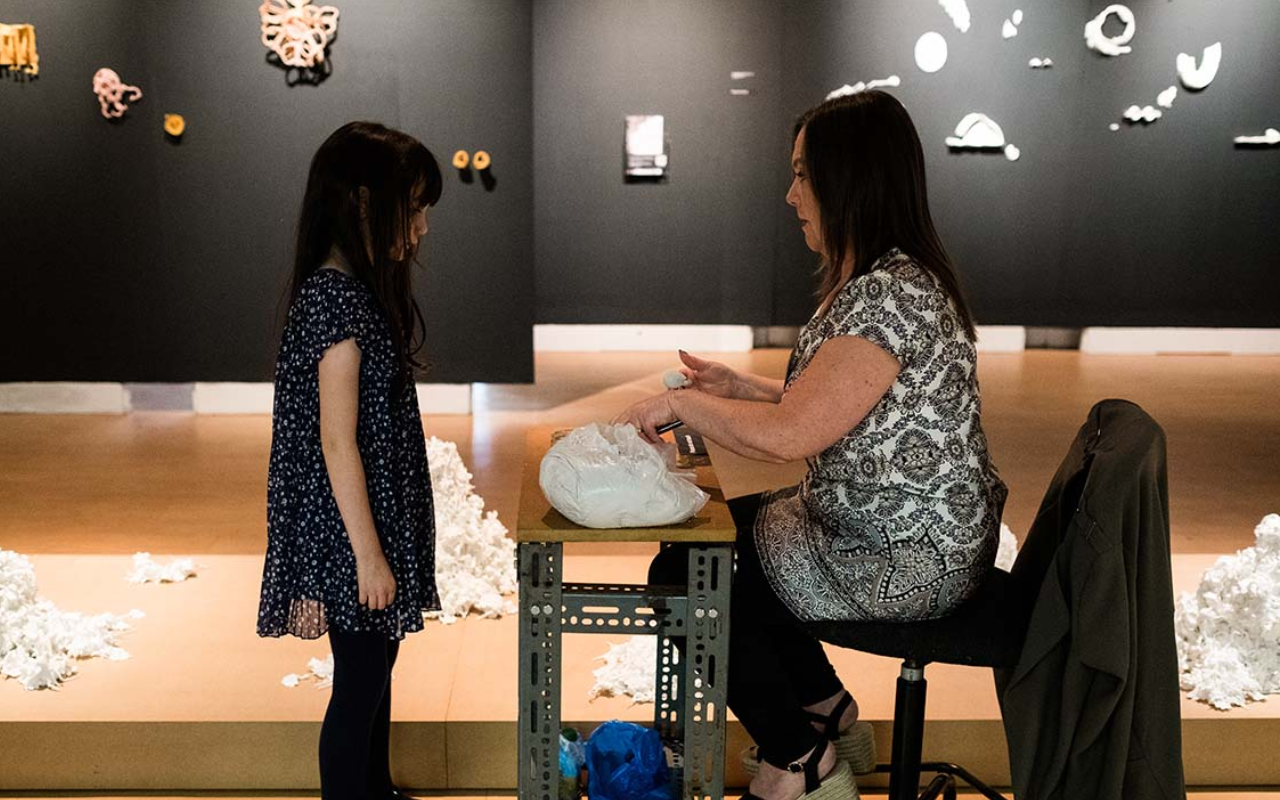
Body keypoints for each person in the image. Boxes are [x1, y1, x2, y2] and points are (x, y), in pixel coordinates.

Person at [614, 90, 1008, 800]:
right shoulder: (890, 281)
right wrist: (743, 387)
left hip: (900, 557)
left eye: (802, 174)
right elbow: (844, 399)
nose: (790, 193)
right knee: (714, 543)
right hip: (897, 532)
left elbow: (795, 435)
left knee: (684, 578)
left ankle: (799, 758)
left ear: (849, 180)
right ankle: (826, 711)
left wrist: (682, 404)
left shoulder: (887, 295)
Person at [256, 121, 444, 800]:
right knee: (360, 681)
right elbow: (336, 442)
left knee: (375, 665)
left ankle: (377, 787)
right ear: (366, 202)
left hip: (363, 522)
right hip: (348, 532)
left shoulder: (351, 291)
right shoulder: (336, 300)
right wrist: (368, 554)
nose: (420, 228)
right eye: (414, 206)